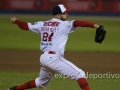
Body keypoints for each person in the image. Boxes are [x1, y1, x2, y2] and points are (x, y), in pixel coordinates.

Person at [9, 4, 100, 90]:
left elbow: (25, 26)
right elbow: (78, 22)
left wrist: (16, 21)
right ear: (57, 16)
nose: (67, 15)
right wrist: (96, 26)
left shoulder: (42, 24)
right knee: (80, 74)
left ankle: (15, 89)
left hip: (44, 59)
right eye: (64, 13)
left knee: (41, 82)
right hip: (54, 58)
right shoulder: (64, 24)